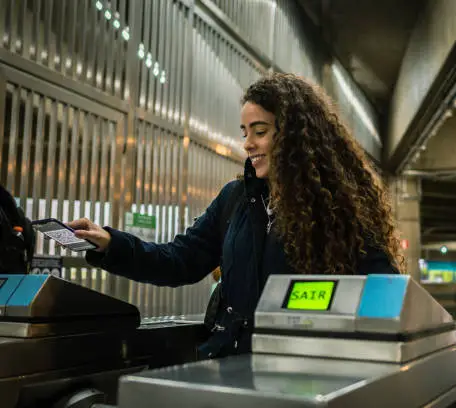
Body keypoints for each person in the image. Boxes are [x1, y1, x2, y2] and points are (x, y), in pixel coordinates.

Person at [68, 73, 402, 359]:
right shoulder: (235, 198)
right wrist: (111, 244)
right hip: (229, 363)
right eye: (244, 132)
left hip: (301, 370)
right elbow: (180, 259)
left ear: (295, 135)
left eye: (260, 131)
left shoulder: (339, 208)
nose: (248, 144)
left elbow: (383, 294)